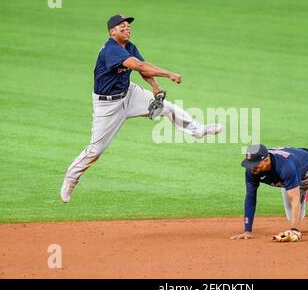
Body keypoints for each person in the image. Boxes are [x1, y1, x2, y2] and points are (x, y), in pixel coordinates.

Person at [60, 14, 222, 203]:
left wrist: (154, 86)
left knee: (167, 107)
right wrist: (168, 74)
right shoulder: (111, 50)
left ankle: (198, 130)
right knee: (95, 150)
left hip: (129, 94)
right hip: (107, 105)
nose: (127, 28)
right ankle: (71, 179)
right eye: (122, 26)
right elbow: (138, 64)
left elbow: (142, 70)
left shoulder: (128, 46)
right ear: (112, 32)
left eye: (128, 26)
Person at [231, 144, 308, 242]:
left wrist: (295, 230)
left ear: (266, 161)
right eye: (250, 164)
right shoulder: (252, 171)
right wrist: (247, 231)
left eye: (255, 164)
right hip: (291, 179)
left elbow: (294, 199)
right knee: (293, 217)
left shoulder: (285, 166)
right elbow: (250, 197)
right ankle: (303, 192)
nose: (251, 168)